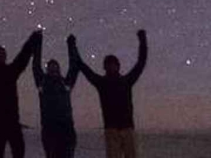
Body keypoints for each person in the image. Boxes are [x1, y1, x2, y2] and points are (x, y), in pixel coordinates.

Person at [70, 30, 148, 158]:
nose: (111, 67)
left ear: (118, 66)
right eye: (109, 65)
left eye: (114, 64)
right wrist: (73, 46)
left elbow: (141, 62)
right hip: (111, 130)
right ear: (105, 67)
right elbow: (82, 66)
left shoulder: (126, 81)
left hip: (128, 128)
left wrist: (142, 40)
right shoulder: (102, 82)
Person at [0, 17, 42, 158]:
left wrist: (33, 38)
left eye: (2, 54)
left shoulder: (11, 71)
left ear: (5, 57)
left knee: (19, 151)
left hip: (12, 121)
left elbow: (23, 56)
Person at [32, 33, 80, 158]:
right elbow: (36, 65)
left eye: (55, 67)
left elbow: (74, 67)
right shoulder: (42, 82)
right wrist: (38, 42)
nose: (53, 69)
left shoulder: (66, 83)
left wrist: (71, 46)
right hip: (49, 129)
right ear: (47, 70)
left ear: (59, 69)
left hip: (67, 128)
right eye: (50, 67)